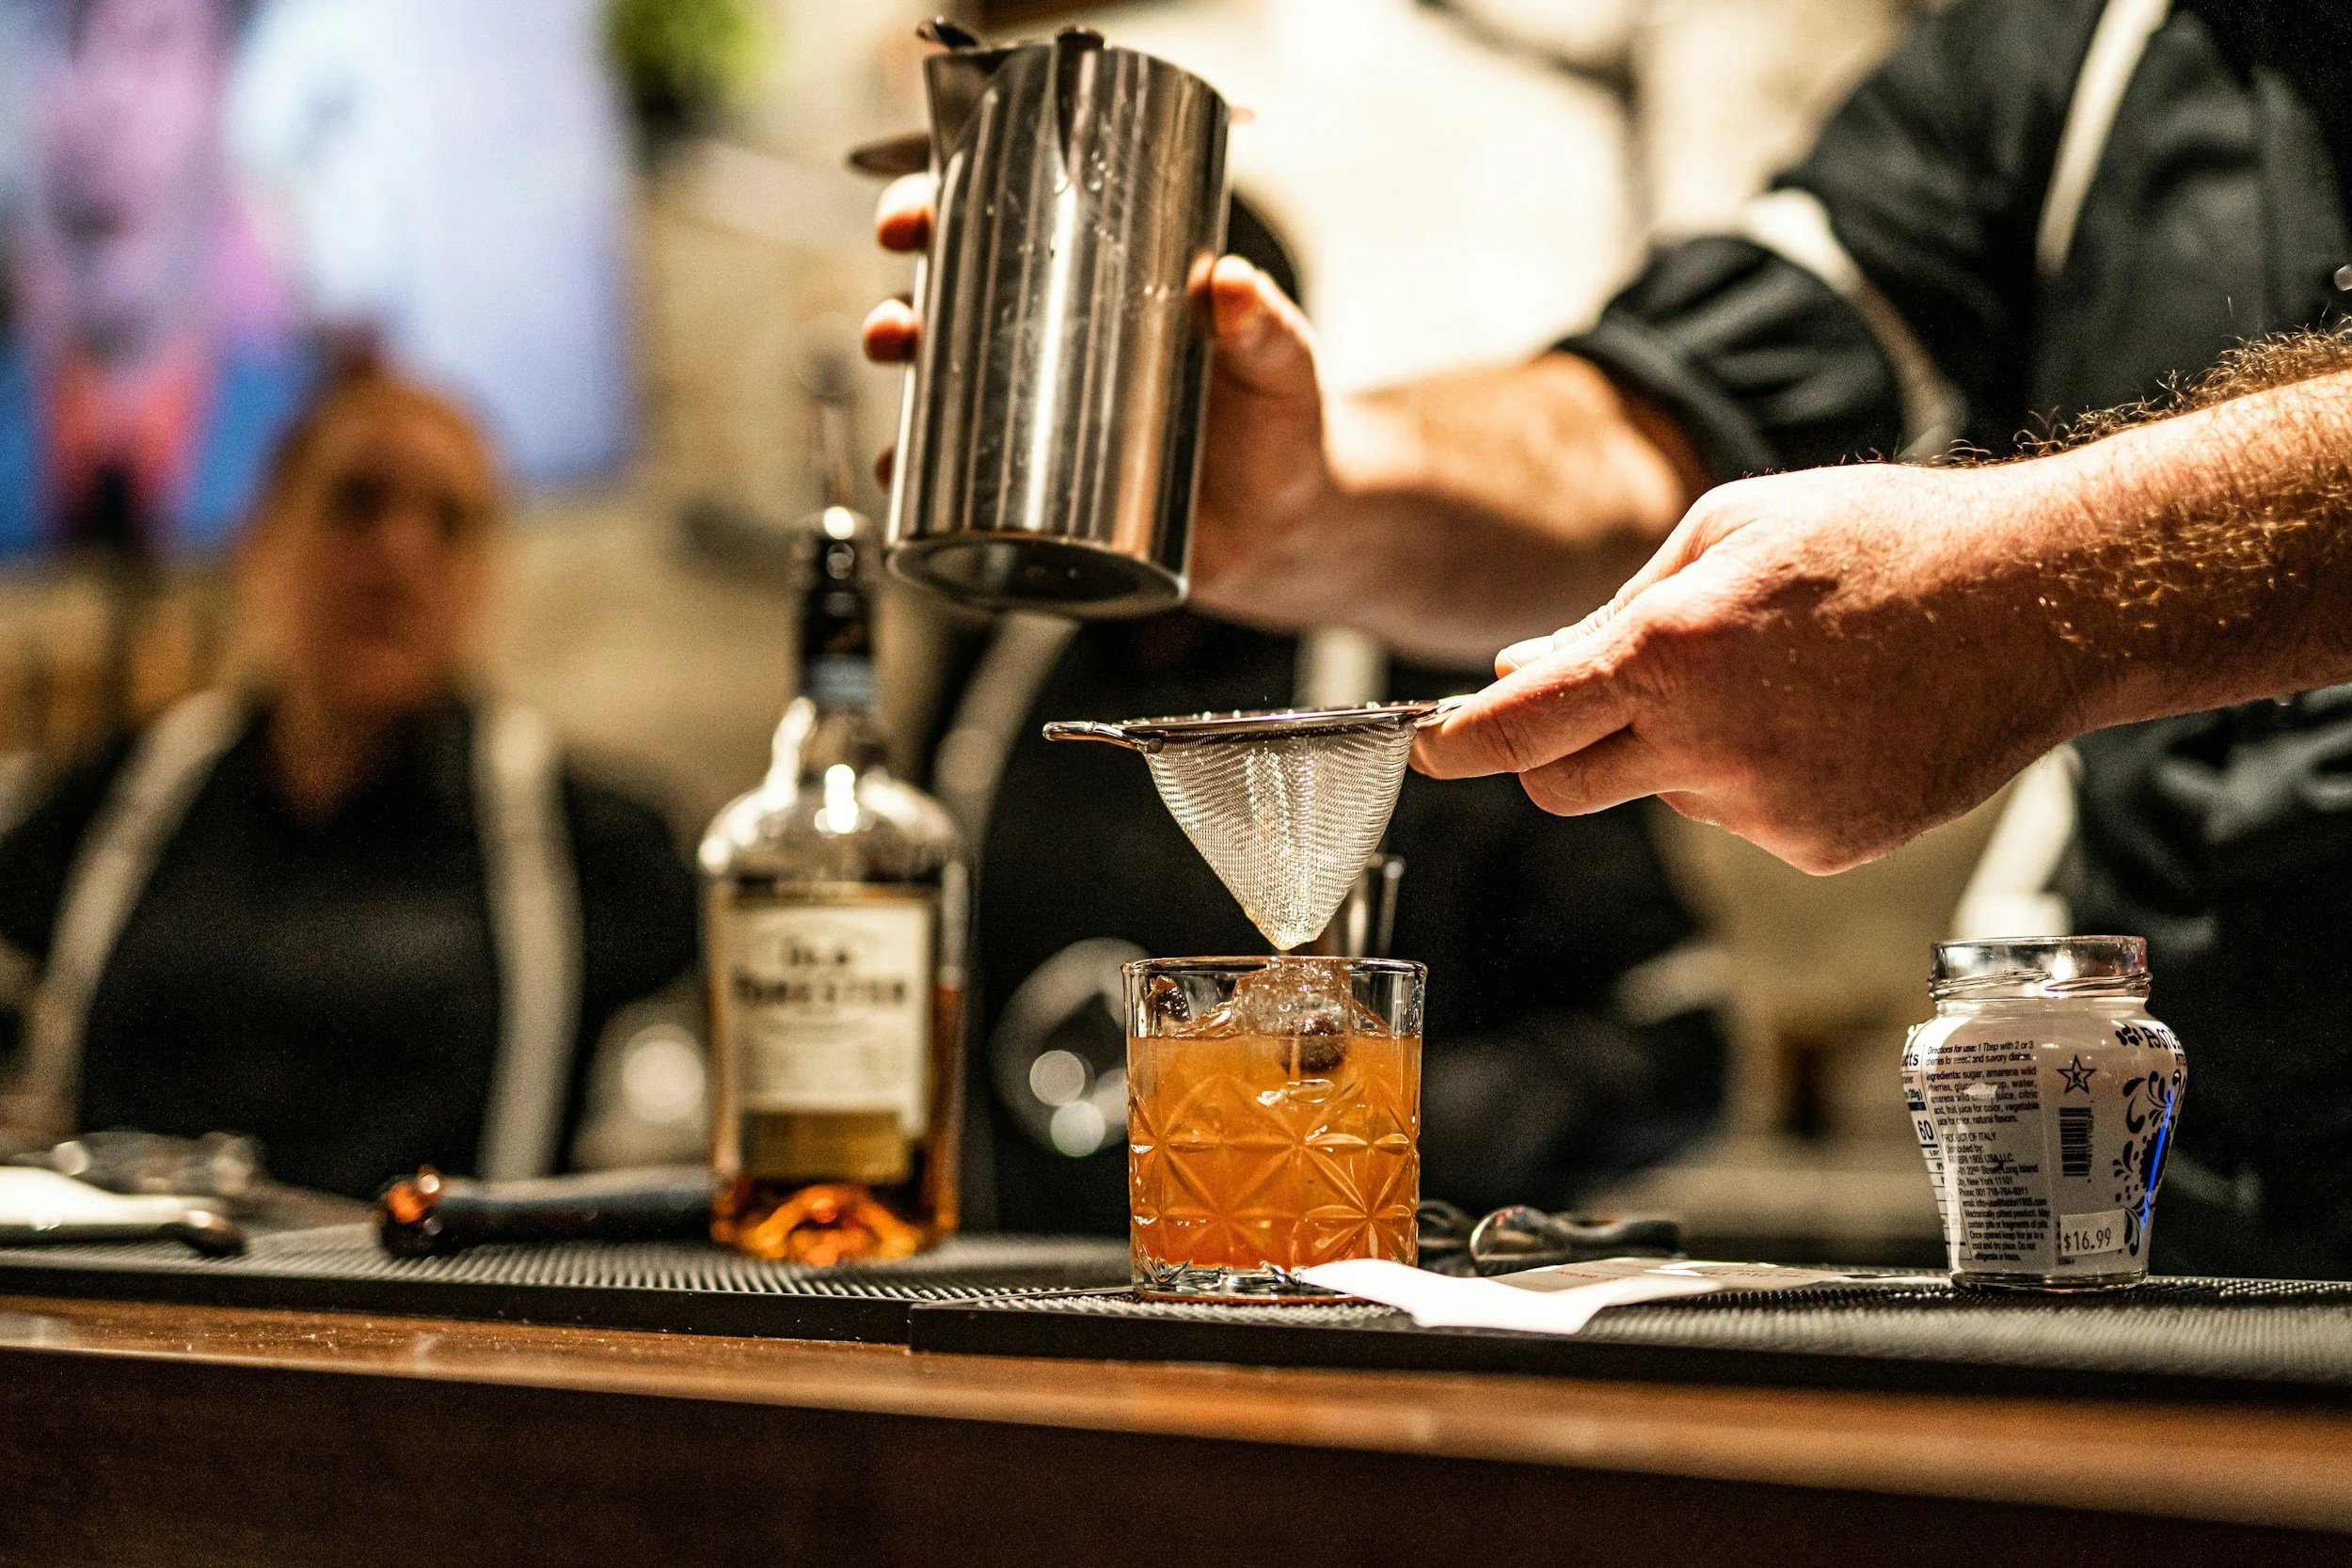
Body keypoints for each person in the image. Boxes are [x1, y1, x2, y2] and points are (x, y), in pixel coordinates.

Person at [868, 0, 2352, 1275]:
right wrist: (1318, 501)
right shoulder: (2082, 44)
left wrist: (2045, 593)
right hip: (2165, 1183)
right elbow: (1669, 411)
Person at [925, 204, 1725, 1231]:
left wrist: (1319, 1128)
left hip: (1358, 1334)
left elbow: (1669, 1047)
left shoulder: (1436, 660)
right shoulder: (997, 664)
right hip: (1015, 1319)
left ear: (1248, 385)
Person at [0, 358, 696, 1198]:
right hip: (116, 1319)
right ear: (261, 540)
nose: (400, 552)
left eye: (450, 522)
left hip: (438, 1326)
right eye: (357, 502)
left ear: (483, 577)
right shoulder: (123, 794)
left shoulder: (588, 838)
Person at [0, 0, 316, 554]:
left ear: (229, 83)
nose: (104, 100)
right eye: (66, 37)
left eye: (155, 41)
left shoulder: (322, 442)